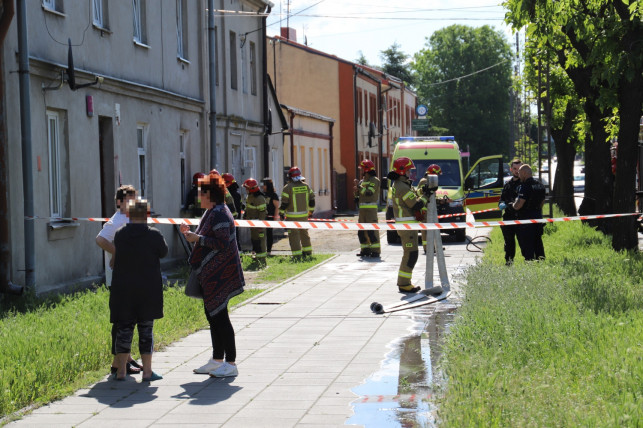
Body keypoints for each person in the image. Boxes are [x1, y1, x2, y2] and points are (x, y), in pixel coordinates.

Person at [181, 172, 244, 378]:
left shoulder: (220, 213)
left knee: (220, 317)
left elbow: (222, 243)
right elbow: (205, 236)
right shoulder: (211, 211)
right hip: (212, 273)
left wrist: (197, 238)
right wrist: (191, 234)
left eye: (201, 193)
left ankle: (231, 363)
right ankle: (217, 360)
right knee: (213, 315)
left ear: (210, 195)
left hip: (221, 273)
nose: (198, 197)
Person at [110, 198, 168, 381]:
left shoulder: (120, 234)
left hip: (123, 290)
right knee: (145, 331)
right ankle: (148, 372)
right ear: (147, 215)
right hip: (147, 291)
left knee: (123, 330)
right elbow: (164, 252)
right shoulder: (154, 235)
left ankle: (121, 371)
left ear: (128, 214)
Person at [95, 185, 143, 375]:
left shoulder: (131, 217)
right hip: (119, 279)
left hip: (132, 277)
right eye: (128, 199)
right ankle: (117, 363)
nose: (133, 202)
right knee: (122, 320)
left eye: (134, 199)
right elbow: (100, 239)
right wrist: (118, 252)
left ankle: (126, 357)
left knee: (130, 320)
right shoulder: (116, 221)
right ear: (119, 202)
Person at [388, 157, 430, 293]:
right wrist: (427, 195)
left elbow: (413, 196)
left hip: (407, 225)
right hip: (407, 226)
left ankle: (405, 282)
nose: (410, 173)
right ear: (402, 171)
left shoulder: (402, 184)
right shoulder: (402, 187)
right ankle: (404, 283)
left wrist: (422, 191)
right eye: (408, 170)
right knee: (411, 254)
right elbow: (415, 204)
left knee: (411, 254)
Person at [279, 166, 315, 259]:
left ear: (290, 176)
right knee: (304, 234)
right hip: (304, 216)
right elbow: (312, 200)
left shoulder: (287, 188)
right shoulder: (306, 186)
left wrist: (281, 213)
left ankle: (297, 255)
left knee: (294, 236)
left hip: (292, 217)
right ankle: (308, 253)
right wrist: (311, 211)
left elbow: (284, 203)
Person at [512, 164, 546, 261]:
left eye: (519, 173)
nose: (519, 176)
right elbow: (542, 203)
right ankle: (541, 261)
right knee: (538, 242)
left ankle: (529, 263)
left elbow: (518, 205)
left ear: (524, 173)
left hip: (526, 220)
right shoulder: (540, 185)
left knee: (527, 245)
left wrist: (513, 204)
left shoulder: (525, 186)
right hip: (538, 218)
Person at [354, 159, 381, 258]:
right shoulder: (362, 181)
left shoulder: (375, 180)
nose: (361, 171)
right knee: (361, 232)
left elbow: (369, 192)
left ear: (366, 169)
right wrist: (356, 192)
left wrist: (359, 187)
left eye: (362, 169)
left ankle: (375, 251)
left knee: (372, 231)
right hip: (362, 211)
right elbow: (358, 195)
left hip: (371, 211)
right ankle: (365, 250)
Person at [498, 159, 523, 265]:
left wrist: (509, 205)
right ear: (511, 169)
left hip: (521, 218)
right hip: (508, 218)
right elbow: (502, 199)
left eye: (519, 169)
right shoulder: (507, 184)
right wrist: (501, 204)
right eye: (515, 168)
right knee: (509, 243)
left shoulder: (524, 183)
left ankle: (530, 263)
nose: (517, 171)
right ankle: (509, 262)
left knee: (524, 243)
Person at [417, 164, 442, 254]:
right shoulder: (424, 181)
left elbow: (431, 197)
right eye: (437, 174)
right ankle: (427, 248)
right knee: (425, 230)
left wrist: (441, 200)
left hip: (429, 208)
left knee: (431, 229)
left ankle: (433, 247)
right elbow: (421, 194)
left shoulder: (430, 180)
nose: (438, 176)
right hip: (425, 209)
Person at [242, 178, 268, 265]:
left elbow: (262, 213)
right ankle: (257, 257)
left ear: (252, 188)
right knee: (255, 240)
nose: (246, 190)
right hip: (252, 224)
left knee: (261, 241)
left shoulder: (260, 198)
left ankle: (262, 260)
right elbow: (248, 208)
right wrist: (245, 216)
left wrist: (260, 225)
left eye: (247, 188)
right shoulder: (250, 196)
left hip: (258, 224)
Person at [261, 177, 280, 254]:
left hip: (270, 217)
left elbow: (277, 207)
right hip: (262, 217)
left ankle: (269, 251)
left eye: (264, 185)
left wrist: (275, 217)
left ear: (268, 185)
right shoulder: (262, 194)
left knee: (269, 234)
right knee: (261, 234)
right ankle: (261, 249)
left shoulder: (273, 195)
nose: (262, 186)